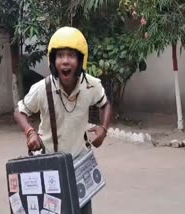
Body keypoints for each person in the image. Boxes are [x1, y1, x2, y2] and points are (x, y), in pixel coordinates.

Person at [14, 26, 112, 213]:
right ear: (53, 61)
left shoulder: (91, 85)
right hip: (49, 162)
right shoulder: (42, 89)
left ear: (80, 60)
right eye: (60, 56)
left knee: (83, 209)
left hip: (80, 162)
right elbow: (19, 111)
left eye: (71, 56)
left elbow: (105, 104)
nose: (65, 61)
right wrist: (30, 132)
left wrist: (103, 129)